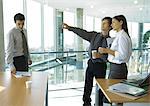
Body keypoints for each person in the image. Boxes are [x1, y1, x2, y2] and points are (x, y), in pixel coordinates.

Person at [62, 17, 112, 106]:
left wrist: (100, 56)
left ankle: (99, 103)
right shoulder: (94, 35)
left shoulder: (111, 40)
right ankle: (86, 103)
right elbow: (82, 32)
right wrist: (70, 28)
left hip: (100, 66)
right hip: (91, 63)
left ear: (110, 26)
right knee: (87, 84)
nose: (102, 25)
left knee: (100, 87)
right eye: (102, 23)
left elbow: (111, 55)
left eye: (104, 23)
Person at [98, 15, 132, 106]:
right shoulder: (119, 35)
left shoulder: (122, 36)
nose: (112, 25)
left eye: (113, 22)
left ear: (121, 22)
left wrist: (107, 50)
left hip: (118, 69)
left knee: (116, 96)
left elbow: (122, 55)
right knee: (116, 96)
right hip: (116, 68)